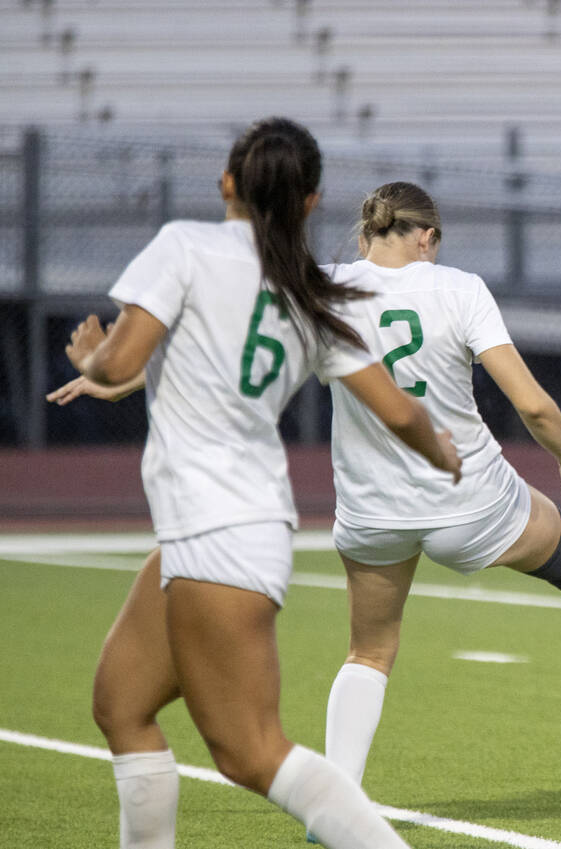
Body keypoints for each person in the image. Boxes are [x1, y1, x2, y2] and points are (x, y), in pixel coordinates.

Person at [62, 117, 461, 849]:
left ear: (226, 184)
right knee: (121, 703)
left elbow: (119, 367)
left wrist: (92, 358)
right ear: (309, 202)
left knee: (249, 749)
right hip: (221, 526)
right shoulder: (309, 290)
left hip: (221, 531)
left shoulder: (186, 245)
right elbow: (398, 406)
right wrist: (438, 448)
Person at [313, 181, 561, 815]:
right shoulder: (458, 288)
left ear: (364, 235)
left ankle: (334, 801)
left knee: (368, 651)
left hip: (372, 510)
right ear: (427, 237)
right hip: (471, 502)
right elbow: (533, 404)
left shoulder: (320, 287)